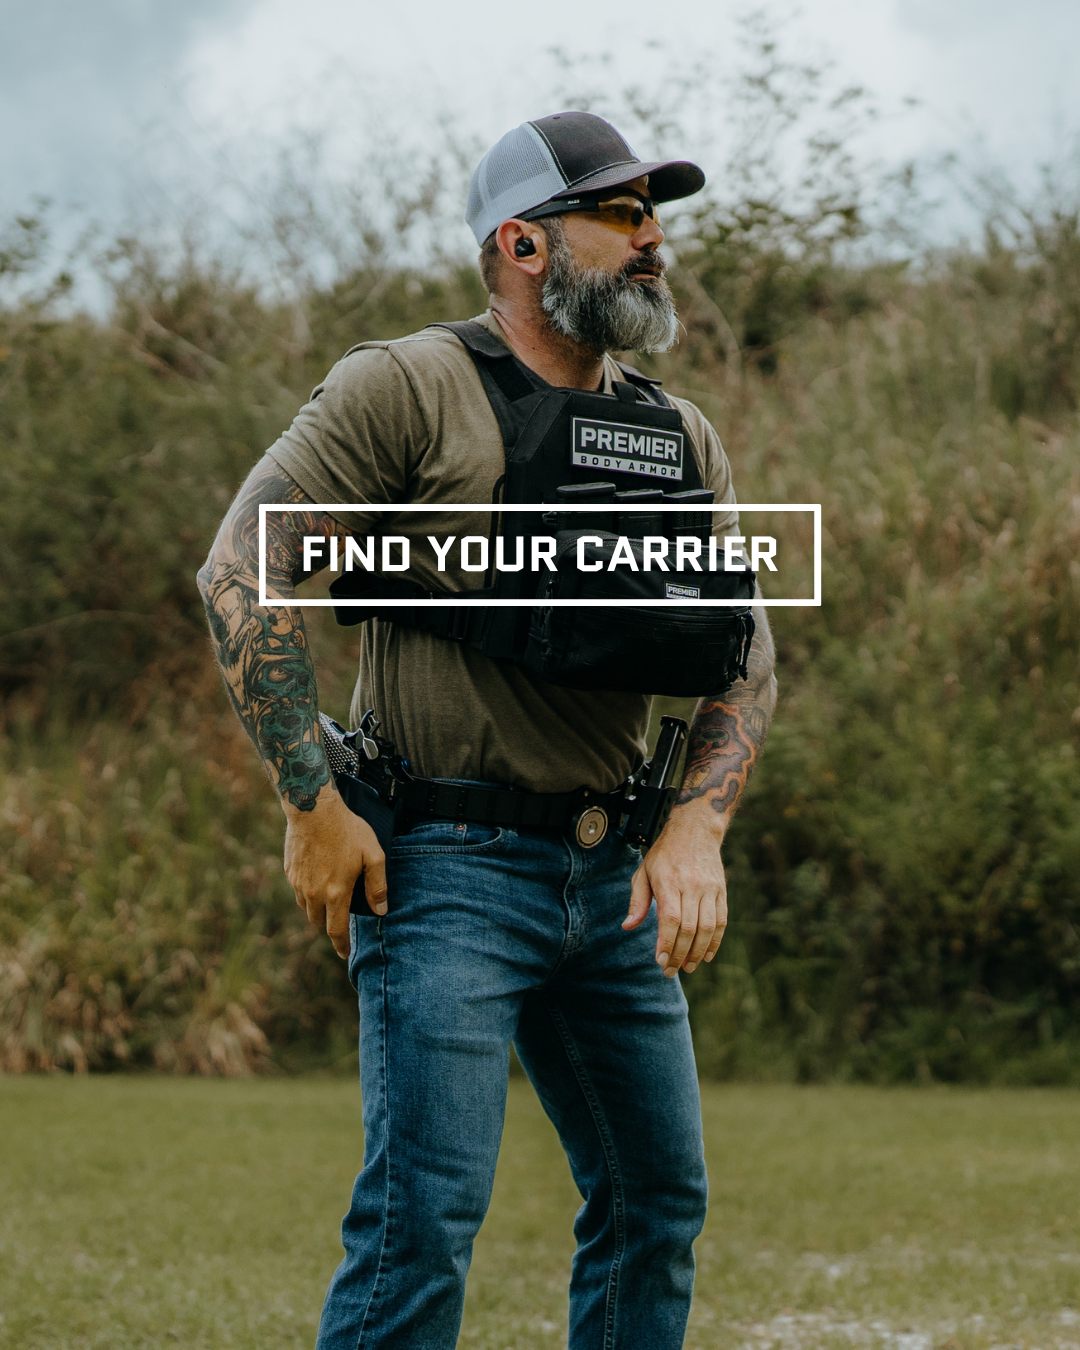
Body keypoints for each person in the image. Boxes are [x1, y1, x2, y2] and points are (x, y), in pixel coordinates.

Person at [197, 110, 777, 1350]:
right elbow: (243, 572)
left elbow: (748, 654)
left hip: (614, 880)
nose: (653, 238)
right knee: (422, 1225)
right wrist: (313, 804)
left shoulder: (682, 439)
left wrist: (695, 828)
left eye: (654, 214)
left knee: (654, 1205)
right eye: (620, 214)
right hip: (445, 870)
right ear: (522, 242)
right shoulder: (406, 386)